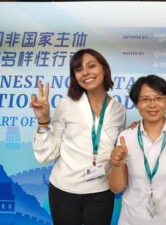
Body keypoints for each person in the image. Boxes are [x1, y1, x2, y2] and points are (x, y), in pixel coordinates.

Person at [31, 48, 126, 225]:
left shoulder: (119, 110)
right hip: (64, 191)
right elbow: (46, 154)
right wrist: (43, 122)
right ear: (74, 76)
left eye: (91, 66)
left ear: (104, 69)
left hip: (102, 191)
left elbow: (119, 148)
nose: (85, 73)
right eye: (79, 69)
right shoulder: (66, 104)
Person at [108, 75, 166, 225]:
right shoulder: (126, 137)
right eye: (145, 99)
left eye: (159, 98)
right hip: (132, 220)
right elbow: (116, 188)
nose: (152, 105)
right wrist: (117, 165)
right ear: (136, 103)